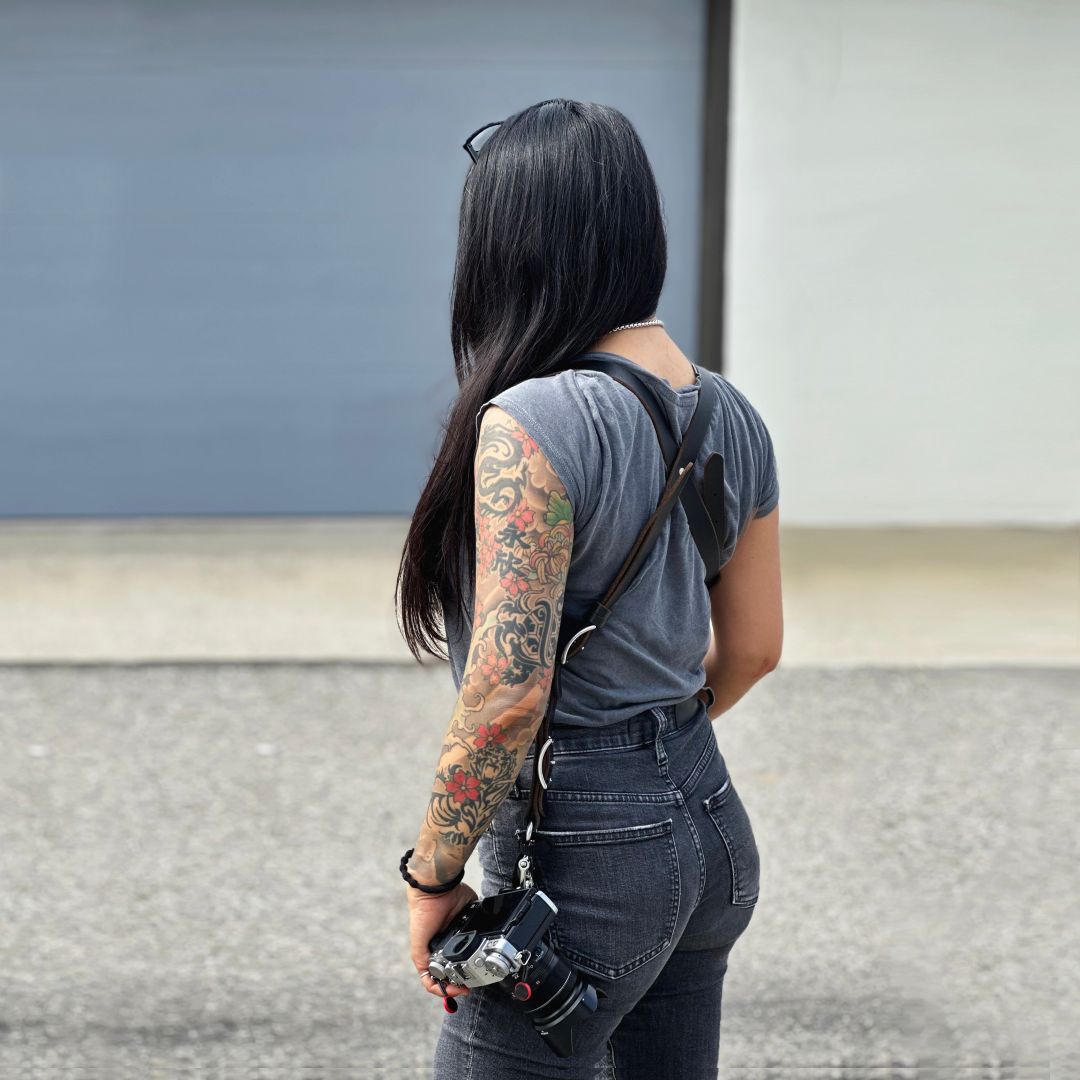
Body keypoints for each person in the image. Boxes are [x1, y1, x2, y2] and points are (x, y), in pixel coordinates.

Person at [394, 98, 782, 1079]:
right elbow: (755, 648)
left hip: (593, 857)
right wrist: (653, 747)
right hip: (708, 823)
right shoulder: (732, 413)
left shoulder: (532, 419)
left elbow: (505, 692)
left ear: (510, 247)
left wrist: (431, 876)